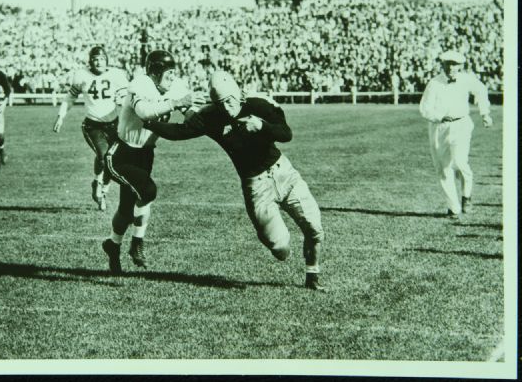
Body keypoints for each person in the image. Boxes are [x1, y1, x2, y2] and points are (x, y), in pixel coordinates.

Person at [143, 70, 325, 291]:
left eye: (229, 101)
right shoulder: (212, 116)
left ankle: (312, 275)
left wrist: (262, 126)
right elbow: (179, 132)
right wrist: (147, 122)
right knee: (280, 249)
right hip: (256, 186)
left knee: (314, 228)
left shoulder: (258, 105)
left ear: (237, 95)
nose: (226, 107)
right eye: (220, 103)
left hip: (285, 174)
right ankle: (285, 247)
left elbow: (286, 133)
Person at [101, 50, 195, 273]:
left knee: (126, 209)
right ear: (154, 73)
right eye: (168, 73)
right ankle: (137, 244)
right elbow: (144, 112)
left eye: (174, 73)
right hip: (121, 154)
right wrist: (175, 103)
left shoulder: (175, 87)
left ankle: (112, 245)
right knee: (148, 191)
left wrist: (194, 114)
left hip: (145, 154)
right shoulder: (140, 84)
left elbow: (189, 111)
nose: (172, 78)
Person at [53, 46, 129, 211]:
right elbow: (70, 96)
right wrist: (61, 116)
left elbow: (126, 97)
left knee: (111, 159)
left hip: (113, 124)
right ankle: (98, 181)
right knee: (104, 156)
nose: (98, 62)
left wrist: (122, 101)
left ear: (106, 60)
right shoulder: (81, 75)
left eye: (101, 59)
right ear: (90, 61)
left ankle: (102, 187)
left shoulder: (117, 75)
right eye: (95, 59)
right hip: (92, 125)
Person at [419, 50, 493, 219]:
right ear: (442, 65)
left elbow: (481, 91)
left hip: (461, 124)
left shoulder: (466, 80)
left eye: (455, 64)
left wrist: (485, 113)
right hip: (439, 127)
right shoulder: (434, 83)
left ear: (461, 66)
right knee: (443, 168)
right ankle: (453, 208)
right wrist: (438, 117)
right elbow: (424, 108)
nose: (451, 68)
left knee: (460, 162)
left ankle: (467, 197)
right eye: (448, 64)